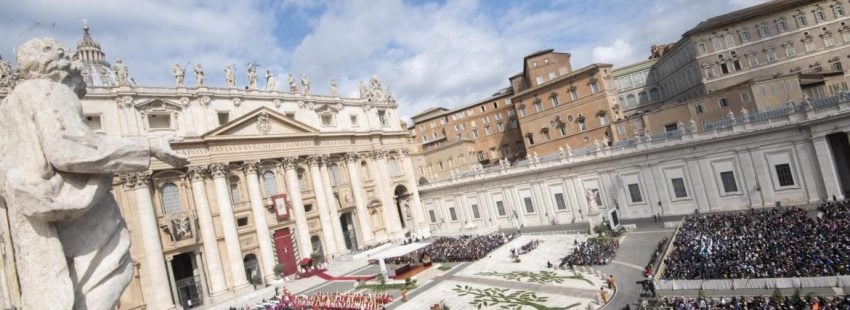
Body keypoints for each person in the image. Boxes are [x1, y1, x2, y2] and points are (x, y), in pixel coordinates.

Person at [0, 37, 189, 309]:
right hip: (68, 205)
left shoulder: (9, 103)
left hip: (32, 210)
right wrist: (148, 146)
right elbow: (68, 149)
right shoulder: (52, 91)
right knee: (114, 269)